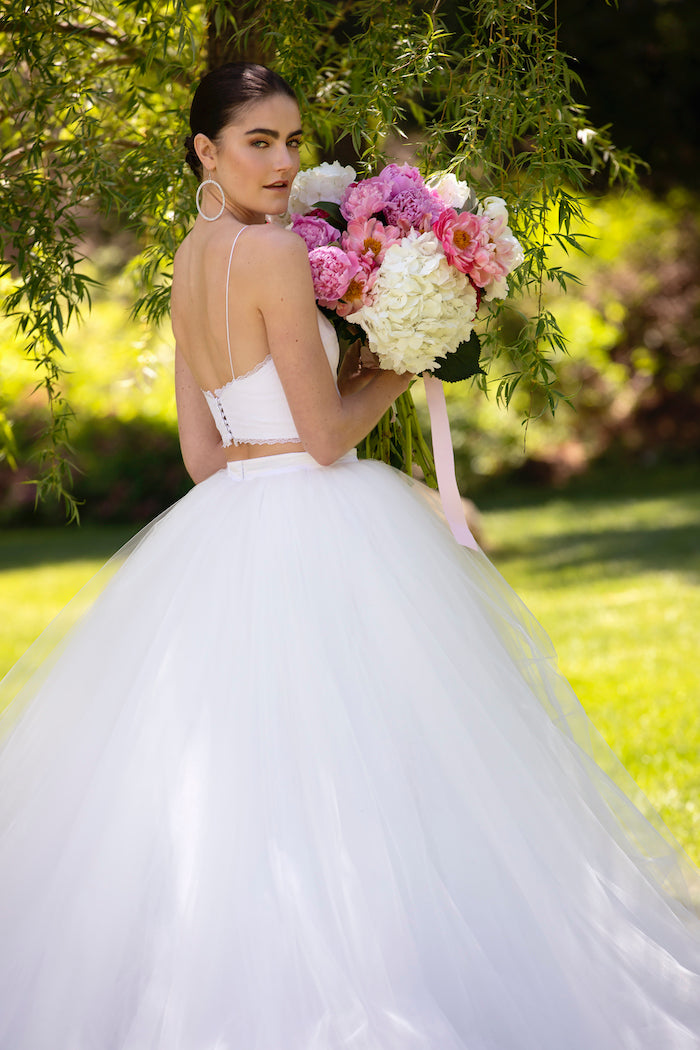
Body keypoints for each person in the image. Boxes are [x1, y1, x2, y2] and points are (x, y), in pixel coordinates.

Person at [1, 61, 699, 1050]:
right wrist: (401, 359)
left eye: (292, 140)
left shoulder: (189, 261)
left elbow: (204, 457)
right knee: (391, 759)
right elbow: (325, 438)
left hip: (228, 526)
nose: (284, 163)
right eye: (259, 142)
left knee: (250, 777)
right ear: (205, 150)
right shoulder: (276, 258)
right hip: (321, 519)